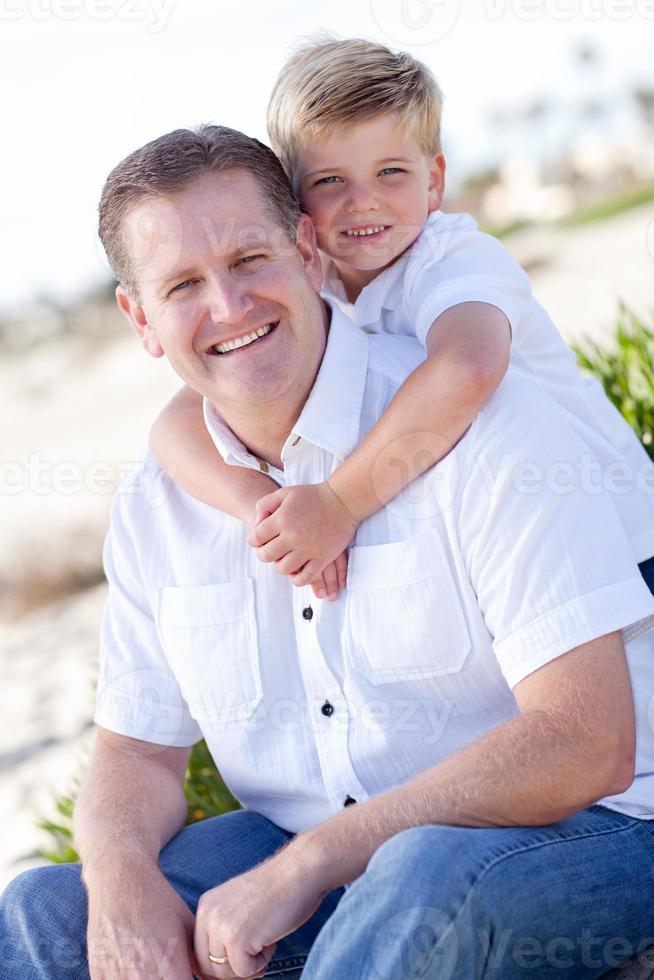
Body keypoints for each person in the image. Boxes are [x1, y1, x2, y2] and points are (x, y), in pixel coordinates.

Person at [3, 123, 654, 980]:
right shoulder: (160, 502)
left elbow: (584, 741)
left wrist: (315, 862)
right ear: (140, 319)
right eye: (184, 285)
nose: (229, 308)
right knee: (42, 915)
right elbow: (135, 752)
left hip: (584, 829)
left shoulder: (483, 421)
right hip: (313, 843)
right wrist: (121, 883)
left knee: (419, 877)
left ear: (308, 251)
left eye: (249, 260)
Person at [148, 37, 654, 605]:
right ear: (293, 204)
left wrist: (337, 503)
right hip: (511, 542)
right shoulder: (316, 287)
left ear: (434, 181)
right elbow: (174, 426)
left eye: (390, 171)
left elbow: (466, 366)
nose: (363, 202)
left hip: (622, 537)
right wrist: (257, 505)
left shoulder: (454, 260)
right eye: (330, 180)